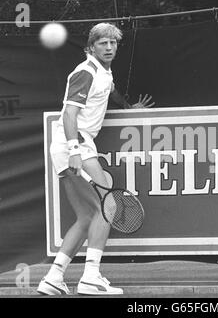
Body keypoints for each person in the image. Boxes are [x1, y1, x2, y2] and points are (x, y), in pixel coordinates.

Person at [37, 23, 155, 296]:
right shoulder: (84, 72)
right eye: (103, 43)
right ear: (91, 47)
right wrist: (75, 151)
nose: (109, 48)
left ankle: (53, 277)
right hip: (74, 143)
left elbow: (109, 92)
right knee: (109, 206)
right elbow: (68, 115)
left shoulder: (105, 72)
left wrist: (128, 107)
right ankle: (91, 277)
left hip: (70, 146)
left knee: (85, 216)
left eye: (113, 43)